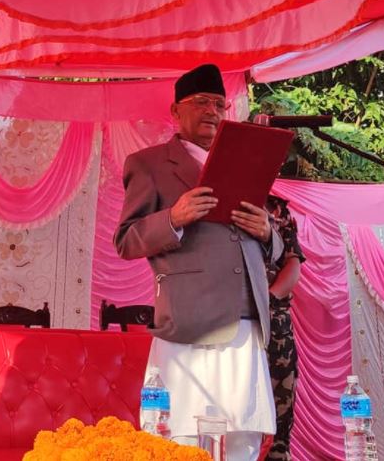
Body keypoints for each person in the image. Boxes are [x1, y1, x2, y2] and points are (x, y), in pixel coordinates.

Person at [114, 64, 283, 461]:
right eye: (202, 102)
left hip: (246, 320)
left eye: (220, 104)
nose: (213, 111)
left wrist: (267, 232)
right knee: (182, 436)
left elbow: (274, 250)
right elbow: (125, 240)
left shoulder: (245, 162)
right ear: (176, 111)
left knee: (244, 434)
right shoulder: (150, 164)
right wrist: (173, 217)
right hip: (189, 322)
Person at [264, 195, 306, 461]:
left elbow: (293, 263)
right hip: (227, 320)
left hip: (273, 320)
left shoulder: (277, 209)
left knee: (280, 413)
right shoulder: (219, 197)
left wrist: (269, 299)